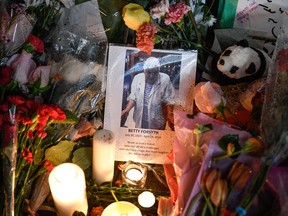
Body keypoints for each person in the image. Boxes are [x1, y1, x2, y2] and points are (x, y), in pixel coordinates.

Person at [121, 57, 175, 130]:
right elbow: (133, 97)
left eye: (155, 72)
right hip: (141, 118)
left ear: (158, 70)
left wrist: (169, 114)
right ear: (144, 70)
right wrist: (127, 109)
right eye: (149, 72)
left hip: (157, 121)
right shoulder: (137, 78)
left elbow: (169, 99)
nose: (152, 76)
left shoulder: (165, 79)